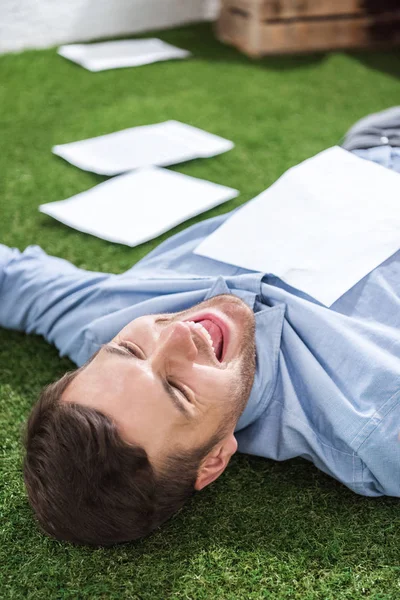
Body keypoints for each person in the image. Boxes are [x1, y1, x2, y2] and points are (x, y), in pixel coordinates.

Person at [2, 109, 400, 547]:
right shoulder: (376, 430)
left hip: (371, 144)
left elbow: (12, 279)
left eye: (130, 350)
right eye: (177, 389)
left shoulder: (95, 321)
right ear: (213, 461)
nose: (176, 335)